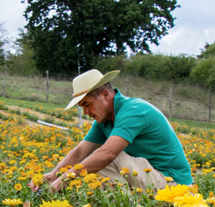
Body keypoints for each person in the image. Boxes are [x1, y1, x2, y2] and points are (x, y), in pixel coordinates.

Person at [33, 69, 192, 192]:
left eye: (87, 105)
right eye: (82, 107)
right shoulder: (105, 119)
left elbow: (107, 154)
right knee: (90, 162)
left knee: (105, 157)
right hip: (149, 178)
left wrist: (63, 180)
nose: (86, 112)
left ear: (104, 95)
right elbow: (81, 151)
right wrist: (53, 175)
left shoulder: (134, 111)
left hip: (173, 184)